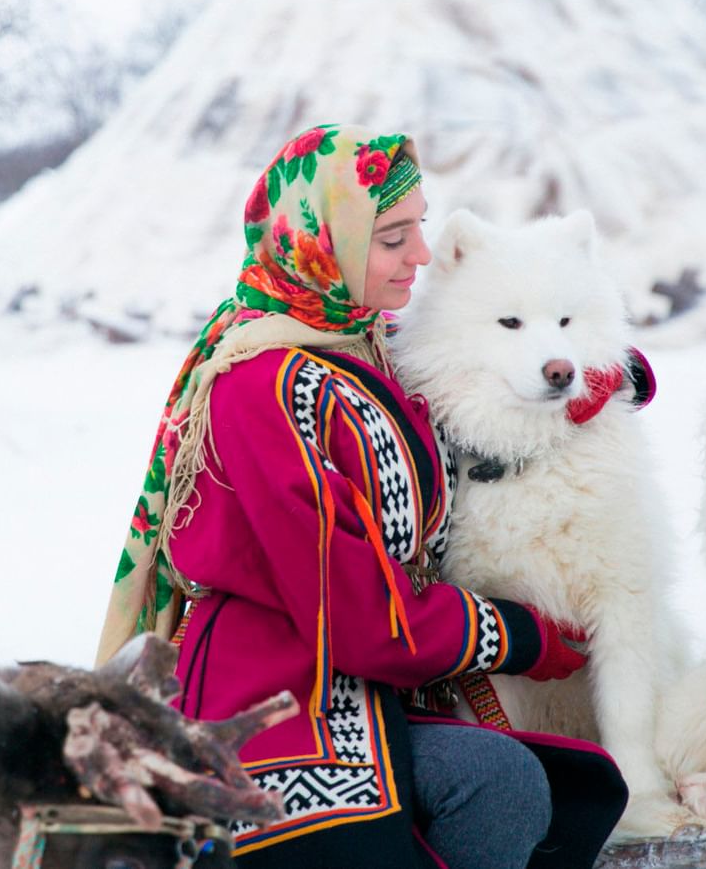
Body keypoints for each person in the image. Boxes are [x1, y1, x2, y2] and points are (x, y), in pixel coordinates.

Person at [96, 125, 627, 868]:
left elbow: (469, 373)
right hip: (278, 704)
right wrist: (519, 635)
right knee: (503, 784)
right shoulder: (265, 390)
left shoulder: (356, 342)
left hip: (367, 694)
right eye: (392, 238)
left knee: (541, 785)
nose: (420, 255)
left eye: (419, 229)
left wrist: (596, 372)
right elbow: (367, 625)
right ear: (325, 246)